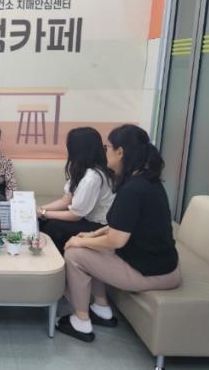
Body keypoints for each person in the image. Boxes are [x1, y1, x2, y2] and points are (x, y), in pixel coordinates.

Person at [57, 124, 181, 343]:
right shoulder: (146, 181)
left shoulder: (132, 190)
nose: (105, 153)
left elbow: (116, 239)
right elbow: (120, 226)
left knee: (75, 255)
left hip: (150, 272)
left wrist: (79, 243)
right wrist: (90, 237)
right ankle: (101, 308)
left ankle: (81, 321)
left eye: (108, 148)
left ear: (121, 151)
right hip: (163, 265)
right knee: (89, 247)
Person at [38, 127, 115, 254]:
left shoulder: (92, 177)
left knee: (53, 226)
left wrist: (44, 213)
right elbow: (66, 200)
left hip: (98, 225)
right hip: (85, 217)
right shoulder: (82, 169)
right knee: (43, 220)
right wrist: (40, 209)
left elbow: (76, 215)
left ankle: (56, 260)